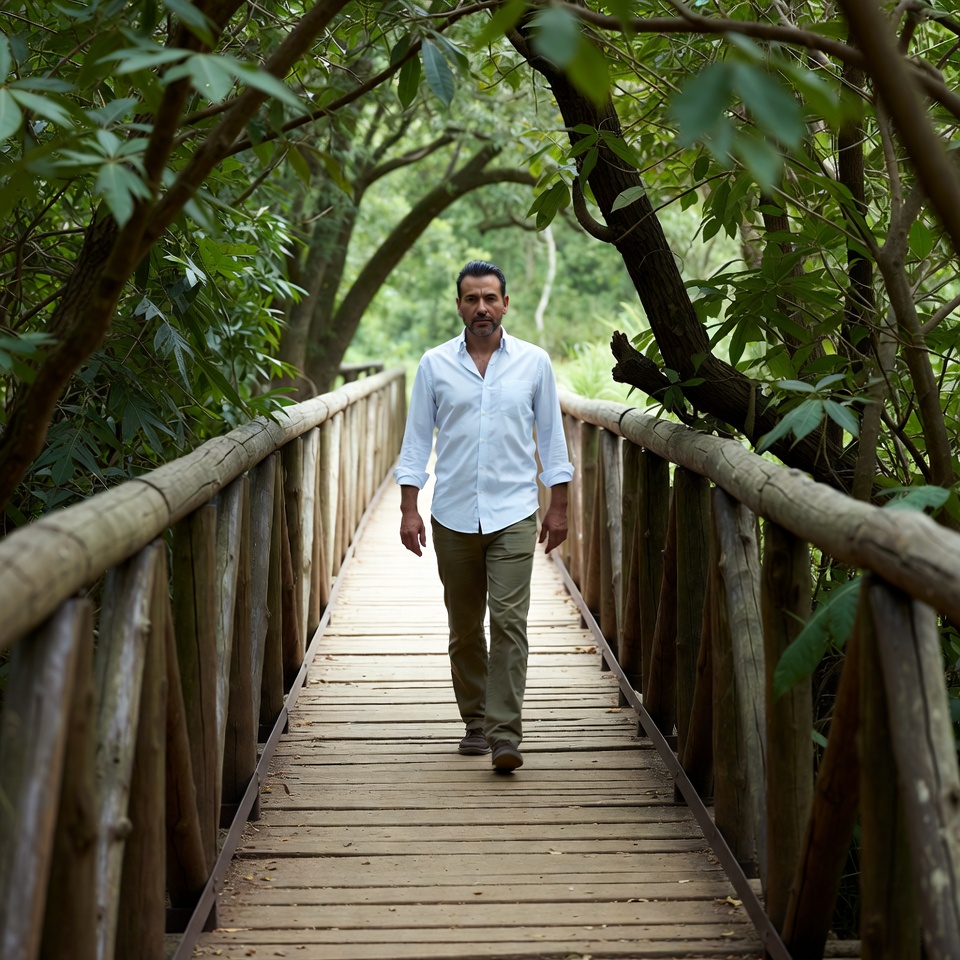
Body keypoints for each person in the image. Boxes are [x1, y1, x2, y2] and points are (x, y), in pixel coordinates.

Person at [395, 260, 574, 772]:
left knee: (510, 623)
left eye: (490, 298)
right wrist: (409, 507)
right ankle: (475, 719)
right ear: (458, 305)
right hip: (451, 513)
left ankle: (504, 734)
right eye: (471, 299)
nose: (481, 308)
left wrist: (558, 504)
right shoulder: (434, 365)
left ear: (505, 304)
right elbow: (415, 443)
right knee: (465, 628)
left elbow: (552, 440)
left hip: (515, 510)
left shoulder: (534, 363)